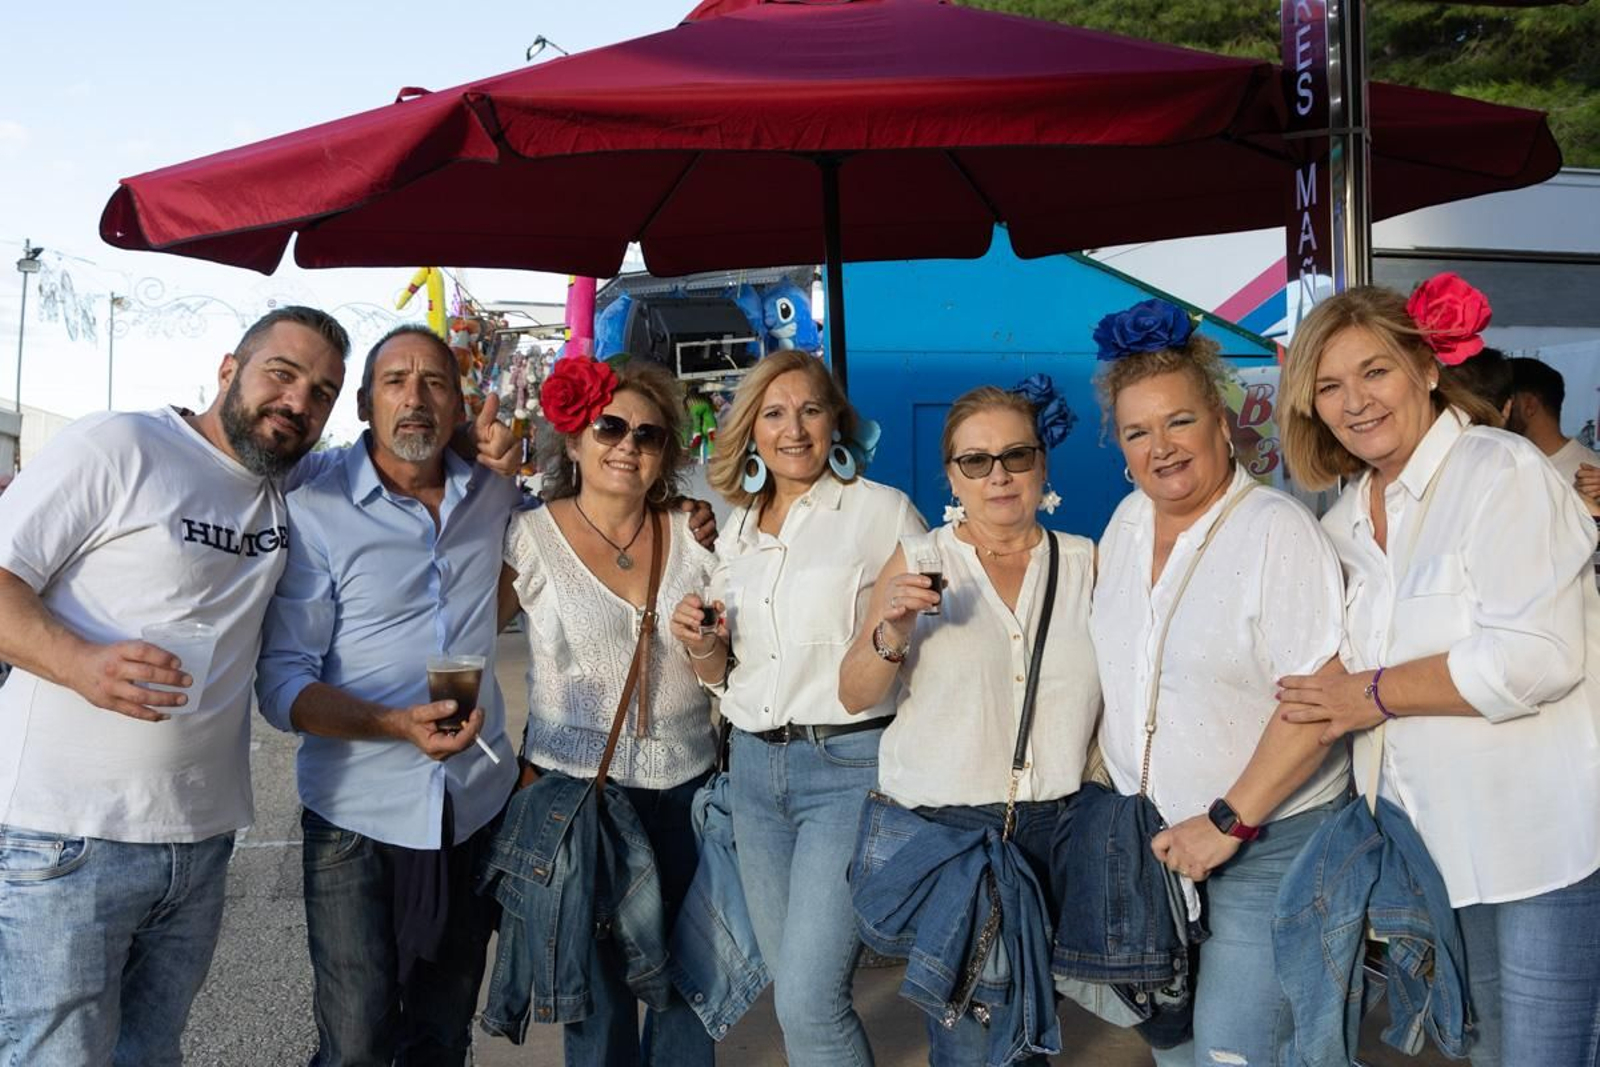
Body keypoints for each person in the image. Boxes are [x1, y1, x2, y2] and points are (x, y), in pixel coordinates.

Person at [0, 307, 350, 1067]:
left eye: (322, 392)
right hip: (66, 836)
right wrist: (79, 663)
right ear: (228, 369)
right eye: (282, 374)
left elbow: (392, 465)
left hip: (199, 838)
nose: (298, 401)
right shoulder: (121, 445)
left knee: (152, 1053)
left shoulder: (290, 485)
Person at [1277, 276, 1600, 1067]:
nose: (1355, 401)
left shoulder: (1499, 471)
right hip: (1432, 854)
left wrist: (1372, 694)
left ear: (1426, 368)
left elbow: (1539, 655)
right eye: (1329, 385)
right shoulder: (1344, 521)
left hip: (1544, 847)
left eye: (1374, 371)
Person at [1088, 299, 1350, 1066]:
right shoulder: (1126, 523)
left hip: (1265, 844)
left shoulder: (1276, 530)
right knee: (1173, 1048)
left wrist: (1227, 822)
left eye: (1179, 421)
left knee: (1234, 1053)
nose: (1161, 447)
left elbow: (1317, 705)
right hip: (1156, 850)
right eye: (1138, 431)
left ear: (1222, 422)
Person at [254, 325, 522, 1066]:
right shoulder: (317, 506)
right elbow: (282, 683)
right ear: (365, 404)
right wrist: (394, 723)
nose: (415, 397)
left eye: (434, 382)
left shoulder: (495, 493)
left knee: (442, 1036)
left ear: (459, 406)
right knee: (356, 1044)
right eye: (395, 381)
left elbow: (581, 528)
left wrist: (688, 514)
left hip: (472, 806)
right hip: (358, 813)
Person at [672, 349, 922, 1067]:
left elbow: (925, 643)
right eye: (774, 413)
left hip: (847, 770)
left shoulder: (879, 511)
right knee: (793, 998)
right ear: (751, 429)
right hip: (754, 773)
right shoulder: (738, 529)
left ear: (836, 421)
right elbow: (725, 673)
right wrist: (702, 643)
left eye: (811, 410)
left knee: (811, 1001)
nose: (794, 429)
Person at [838, 381, 1098, 1065]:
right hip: (953, 835)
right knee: (973, 1040)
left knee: (1029, 1035)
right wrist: (892, 629)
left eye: (1016, 455)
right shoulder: (921, 561)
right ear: (952, 476)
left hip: (1058, 832)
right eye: (976, 461)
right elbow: (853, 693)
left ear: (1042, 463)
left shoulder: (1086, 562)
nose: (998, 475)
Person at [498, 354, 718, 1066]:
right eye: (610, 427)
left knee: (692, 987)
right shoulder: (528, 538)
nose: (628, 445)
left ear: (666, 453)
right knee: (597, 1003)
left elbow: (732, 654)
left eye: (648, 435)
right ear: (572, 440)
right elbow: (460, 635)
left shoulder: (696, 535)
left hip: (686, 794)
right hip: (578, 799)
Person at [1507, 356, 1600, 491]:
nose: (1498, 410)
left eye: (1505, 400)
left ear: (1529, 404)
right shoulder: (1500, 463)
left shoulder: (1589, 478)